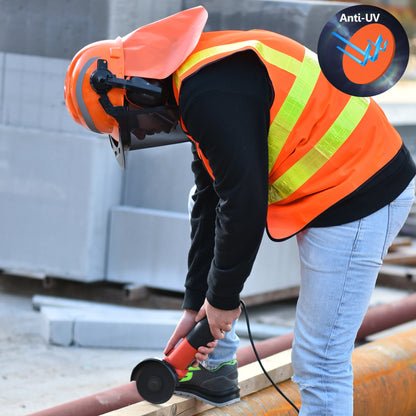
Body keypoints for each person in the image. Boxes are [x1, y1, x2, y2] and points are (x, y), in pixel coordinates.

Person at [64, 6, 416, 415]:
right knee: (201, 205)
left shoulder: (210, 94)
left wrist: (223, 301)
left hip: (360, 193)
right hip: (331, 185)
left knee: (320, 361)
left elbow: (244, 204)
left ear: (138, 91)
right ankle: (214, 366)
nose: (147, 132)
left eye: (135, 125)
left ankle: (220, 354)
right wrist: (196, 305)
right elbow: (211, 200)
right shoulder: (192, 83)